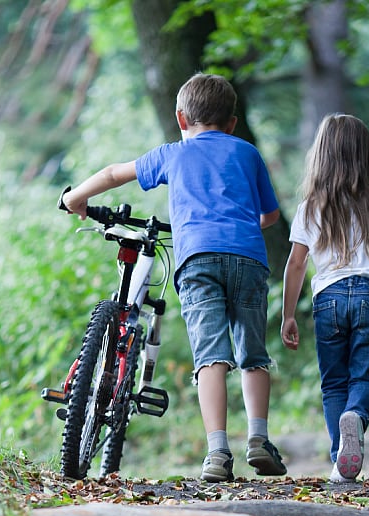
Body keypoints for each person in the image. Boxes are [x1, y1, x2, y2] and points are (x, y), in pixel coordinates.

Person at [61, 73, 287, 483]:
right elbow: (270, 215)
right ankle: (258, 439)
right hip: (248, 258)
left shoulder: (173, 153)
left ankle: (217, 452)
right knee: (252, 353)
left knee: (211, 356)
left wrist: (75, 198)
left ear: (181, 118)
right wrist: (240, 227)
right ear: (232, 123)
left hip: (198, 259)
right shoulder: (248, 153)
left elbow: (113, 173)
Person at [280, 113, 369, 482]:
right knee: (364, 377)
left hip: (329, 300)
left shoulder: (310, 207)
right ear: (366, 156)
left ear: (320, 157)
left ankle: (340, 456)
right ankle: (355, 416)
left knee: (334, 383)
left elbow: (296, 264)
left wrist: (288, 315)